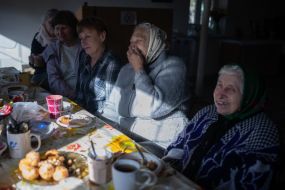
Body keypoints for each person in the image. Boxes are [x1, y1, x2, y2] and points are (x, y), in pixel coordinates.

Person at [164, 64, 280, 190]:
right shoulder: (207, 112)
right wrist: (165, 171)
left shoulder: (263, 132)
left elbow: (251, 184)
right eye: (219, 85)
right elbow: (179, 145)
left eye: (230, 89)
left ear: (248, 95)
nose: (220, 94)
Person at [102, 22, 189, 148]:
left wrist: (139, 69)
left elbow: (152, 108)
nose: (132, 46)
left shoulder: (175, 66)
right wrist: (104, 131)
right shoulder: (126, 69)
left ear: (155, 43)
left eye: (138, 41)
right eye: (131, 42)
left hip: (159, 143)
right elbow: (111, 107)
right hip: (125, 137)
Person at [75, 17, 122, 115]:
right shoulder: (83, 56)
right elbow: (79, 94)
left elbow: (110, 108)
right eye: (81, 38)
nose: (83, 42)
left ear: (102, 36)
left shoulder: (112, 63)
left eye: (87, 36)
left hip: (100, 120)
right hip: (82, 116)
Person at [42, 10, 81, 99]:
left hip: (84, 95)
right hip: (63, 96)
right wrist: (74, 95)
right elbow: (53, 79)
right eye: (57, 28)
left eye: (64, 28)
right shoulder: (53, 49)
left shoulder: (84, 46)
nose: (60, 32)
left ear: (73, 28)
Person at [29, 9, 58, 90]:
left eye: (56, 23)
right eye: (50, 22)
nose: (53, 25)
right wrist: (34, 62)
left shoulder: (62, 36)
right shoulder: (38, 38)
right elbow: (33, 64)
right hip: (42, 74)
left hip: (59, 74)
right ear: (44, 23)